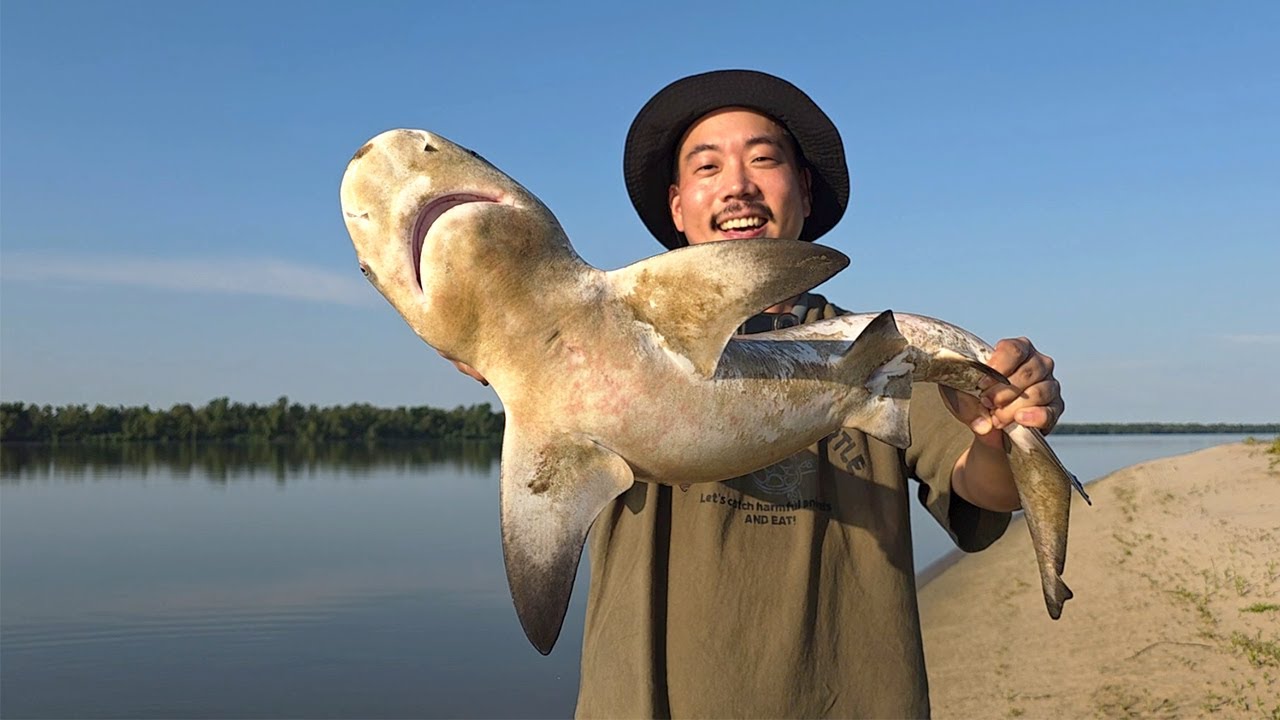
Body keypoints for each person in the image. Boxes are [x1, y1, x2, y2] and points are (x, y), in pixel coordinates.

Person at [448, 69, 1064, 717]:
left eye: (764, 159)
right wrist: (508, 348)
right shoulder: (597, 353)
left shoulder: (881, 352)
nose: (738, 185)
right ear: (678, 206)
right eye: (707, 167)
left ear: (803, 189)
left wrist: (997, 431)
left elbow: (986, 492)